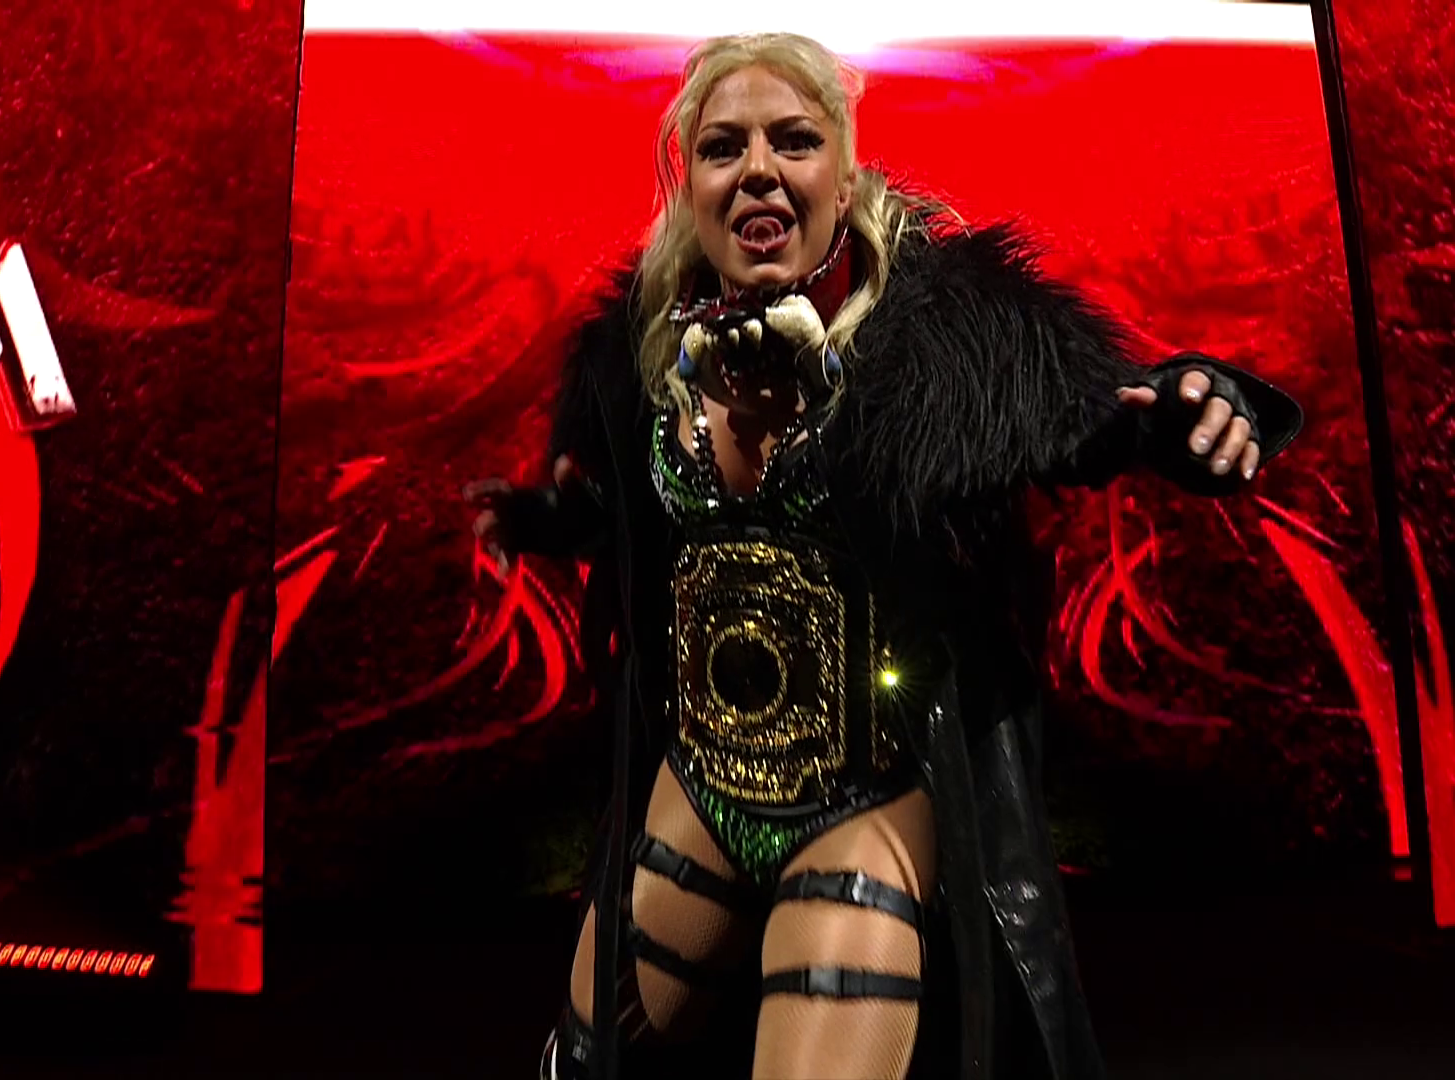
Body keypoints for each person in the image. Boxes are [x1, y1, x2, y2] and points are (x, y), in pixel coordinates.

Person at [468, 32, 1302, 1080]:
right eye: (724, 147)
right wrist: (557, 520)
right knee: (591, 1058)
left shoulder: (949, 341)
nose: (759, 169)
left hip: (862, 804)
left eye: (794, 140)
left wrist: (1195, 412)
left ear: (844, 166)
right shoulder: (639, 351)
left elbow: (1099, 421)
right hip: (702, 788)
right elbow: (634, 521)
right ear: (691, 179)